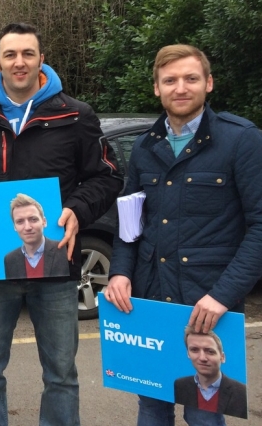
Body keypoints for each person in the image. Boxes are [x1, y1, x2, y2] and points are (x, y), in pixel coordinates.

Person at [0, 22, 122, 426]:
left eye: (27, 54)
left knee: (61, 373)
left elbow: (108, 175)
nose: (19, 62)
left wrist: (78, 210)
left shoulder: (76, 115)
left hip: (57, 265)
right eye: (10, 55)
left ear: (41, 60)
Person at [105, 44, 262, 426]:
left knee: (204, 416)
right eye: (170, 80)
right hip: (149, 302)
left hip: (208, 305)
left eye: (191, 78)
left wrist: (223, 295)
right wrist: (120, 273)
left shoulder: (242, 140)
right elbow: (130, 223)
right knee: (152, 410)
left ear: (208, 83)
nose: (181, 87)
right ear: (157, 88)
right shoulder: (145, 146)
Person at [174, 329, 248, 419]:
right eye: (194, 350)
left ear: (222, 357)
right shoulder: (180, 385)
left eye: (210, 351)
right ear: (188, 354)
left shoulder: (241, 392)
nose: (202, 358)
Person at [2, 194, 69, 279]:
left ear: (44, 222)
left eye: (33, 219)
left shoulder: (63, 250)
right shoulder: (9, 260)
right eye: (20, 221)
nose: (27, 227)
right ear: (15, 227)